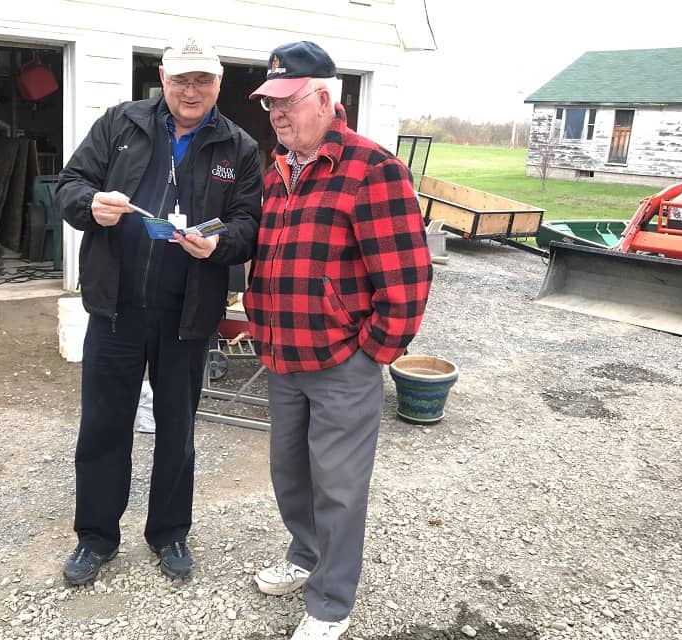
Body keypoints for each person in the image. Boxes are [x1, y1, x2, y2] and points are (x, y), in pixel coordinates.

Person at [55, 34, 262, 584]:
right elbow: (71, 185)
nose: (191, 90)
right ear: (163, 80)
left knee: (177, 428)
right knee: (103, 426)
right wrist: (89, 207)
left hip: (186, 316)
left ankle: (169, 532)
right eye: (180, 80)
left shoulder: (239, 146)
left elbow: (250, 224)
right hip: (116, 309)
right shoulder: (120, 123)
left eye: (203, 81)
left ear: (219, 84)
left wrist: (220, 244)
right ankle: (95, 538)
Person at [244, 41, 432, 639]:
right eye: (269, 103)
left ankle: (331, 604)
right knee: (290, 472)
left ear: (325, 98)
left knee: (339, 487)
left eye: (286, 101)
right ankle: (305, 557)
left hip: (341, 364)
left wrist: (372, 351)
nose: (275, 114)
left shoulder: (371, 169)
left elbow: (407, 278)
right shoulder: (277, 171)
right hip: (282, 355)